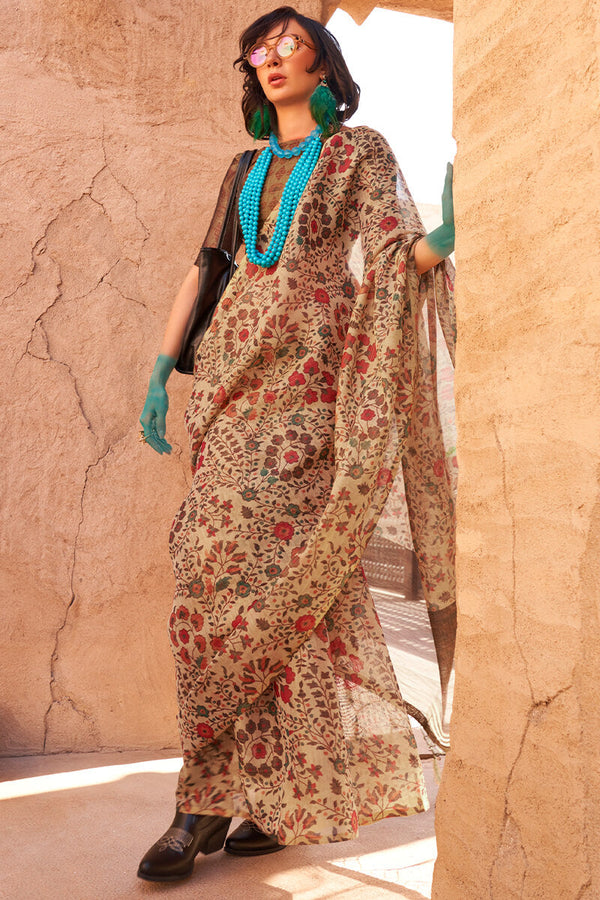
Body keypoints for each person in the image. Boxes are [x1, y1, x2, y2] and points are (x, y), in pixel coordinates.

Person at [137, 5, 456, 883]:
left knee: (290, 584)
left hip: (310, 396)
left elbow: (390, 259)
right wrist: (164, 371)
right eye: (259, 48)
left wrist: (444, 237)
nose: (271, 57)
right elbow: (206, 269)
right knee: (205, 573)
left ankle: (206, 804)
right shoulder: (245, 166)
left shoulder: (359, 152)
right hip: (231, 391)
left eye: (288, 43)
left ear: (325, 64)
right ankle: (245, 792)